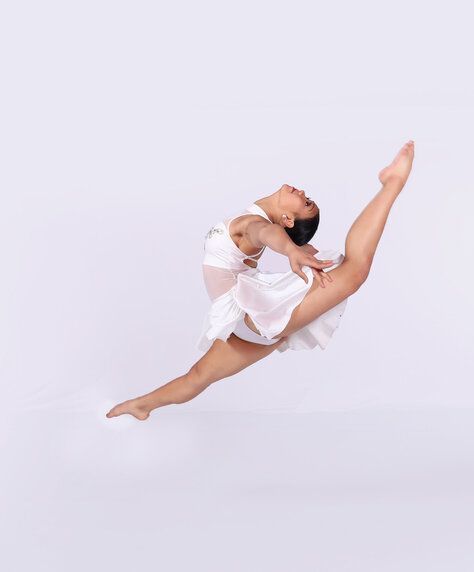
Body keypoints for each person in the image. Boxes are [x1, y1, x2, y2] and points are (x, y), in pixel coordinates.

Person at [107, 140, 415, 420]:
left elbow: (264, 234)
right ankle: (142, 405)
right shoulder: (256, 220)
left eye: (306, 203)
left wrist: (290, 250)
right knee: (198, 376)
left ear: (288, 221)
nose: (303, 194)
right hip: (247, 321)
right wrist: (295, 249)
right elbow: (271, 234)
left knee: (355, 271)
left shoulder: (252, 224)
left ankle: (392, 183)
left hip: (254, 316)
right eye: (310, 198)